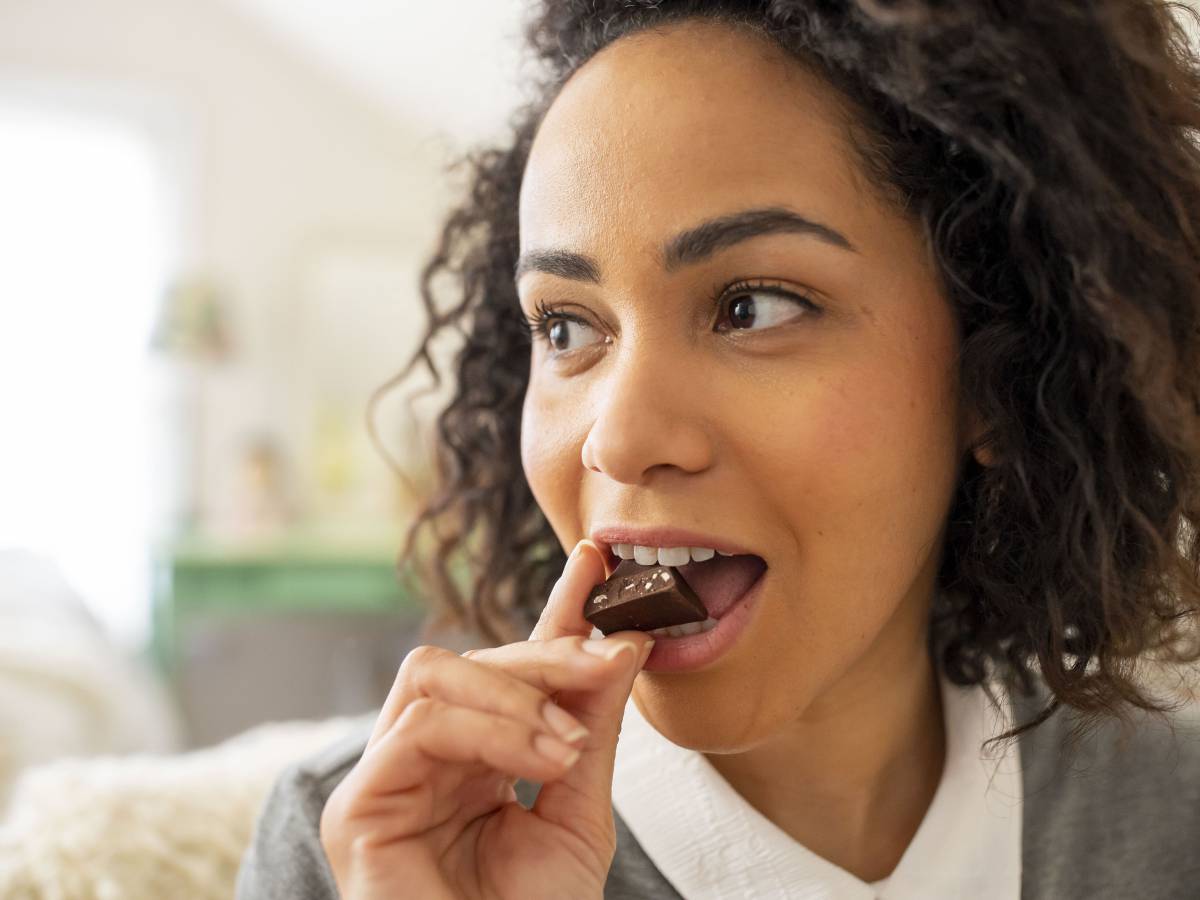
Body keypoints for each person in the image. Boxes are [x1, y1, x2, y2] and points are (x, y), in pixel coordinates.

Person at [236, 1, 1200, 897]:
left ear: (999, 368)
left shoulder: (1172, 823)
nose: (619, 437)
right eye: (566, 327)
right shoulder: (361, 857)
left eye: (752, 307)